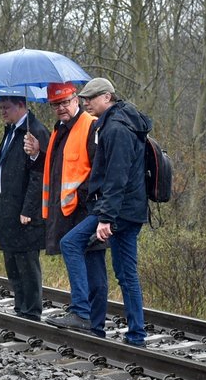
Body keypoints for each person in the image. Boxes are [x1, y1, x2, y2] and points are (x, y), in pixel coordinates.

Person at [46, 77, 151, 347]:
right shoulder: (125, 122)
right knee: (126, 274)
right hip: (132, 211)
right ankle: (136, 335)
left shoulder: (115, 128)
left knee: (70, 243)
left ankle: (81, 312)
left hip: (117, 211)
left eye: (90, 98)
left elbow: (116, 179)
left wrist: (106, 219)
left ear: (107, 97)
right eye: (84, 98)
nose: (86, 103)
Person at [25, 82, 109, 338]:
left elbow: (98, 169)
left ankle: (87, 318)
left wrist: (87, 200)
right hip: (69, 212)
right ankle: (94, 327)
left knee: (94, 267)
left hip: (86, 210)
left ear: (76, 100)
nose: (61, 108)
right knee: (90, 266)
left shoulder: (90, 125)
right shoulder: (60, 129)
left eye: (65, 102)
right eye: (55, 104)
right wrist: (38, 154)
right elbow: (58, 170)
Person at [0, 96, 50, 321]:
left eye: (6, 108)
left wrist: (29, 209)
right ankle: (20, 309)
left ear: (21, 105)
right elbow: (12, 168)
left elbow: (38, 175)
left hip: (24, 210)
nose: (2, 112)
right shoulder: (11, 131)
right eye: (0, 108)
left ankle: (31, 313)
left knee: (27, 263)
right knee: (12, 262)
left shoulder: (35, 131)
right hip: (7, 207)